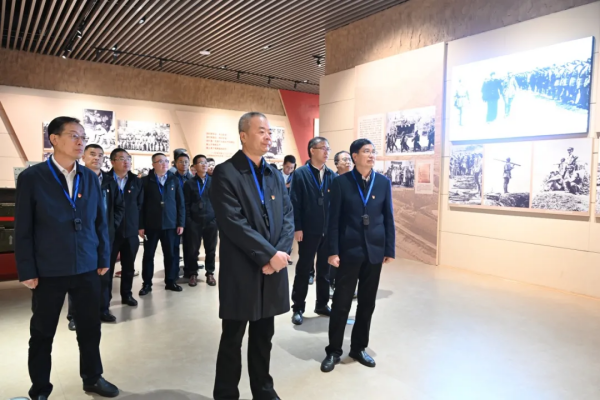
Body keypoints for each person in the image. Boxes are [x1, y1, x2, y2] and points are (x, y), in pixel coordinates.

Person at [15, 116, 119, 398]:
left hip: (86, 266)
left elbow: (100, 222)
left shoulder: (90, 177)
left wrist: (103, 257)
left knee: (90, 328)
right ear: (54, 139)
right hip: (48, 268)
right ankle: (40, 388)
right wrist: (27, 269)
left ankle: (93, 377)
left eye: (83, 137)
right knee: (42, 332)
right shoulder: (32, 178)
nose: (80, 141)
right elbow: (23, 228)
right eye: (74, 135)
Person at [210, 112, 293, 400]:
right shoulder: (226, 173)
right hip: (242, 268)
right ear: (243, 136)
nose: (268, 136)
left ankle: (263, 390)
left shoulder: (273, 174)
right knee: (232, 338)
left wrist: (280, 254)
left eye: (270, 131)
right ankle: (226, 394)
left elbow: (288, 216)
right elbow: (233, 223)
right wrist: (268, 256)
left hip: (272, 267)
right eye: (261, 131)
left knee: (264, 336)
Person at [321, 138, 395, 373]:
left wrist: (389, 249)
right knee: (341, 303)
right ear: (354, 157)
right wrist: (333, 251)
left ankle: (358, 347)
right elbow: (332, 221)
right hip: (348, 252)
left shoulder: (382, 183)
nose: (372, 155)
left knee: (367, 303)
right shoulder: (341, 183)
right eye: (366, 151)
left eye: (373, 151)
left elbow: (388, 217)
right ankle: (334, 350)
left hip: (374, 252)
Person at [66, 144, 124, 328]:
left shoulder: (109, 181)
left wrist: (111, 226)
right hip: (82, 236)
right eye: (92, 154)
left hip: (105, 236)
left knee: (105, 274)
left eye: (100, 155)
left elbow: (120, 206)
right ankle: (74, 316)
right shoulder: (75, 177)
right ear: (83, 157)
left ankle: (103, 309)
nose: (97, 158)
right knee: (78, 277)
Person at [290, 137, 335, 325]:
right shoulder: (300, 174)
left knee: (325, 270)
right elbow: (294, 203)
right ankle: (298, 307)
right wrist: (297, 227)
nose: (326, 152)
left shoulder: (331, 175)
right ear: (312, 150)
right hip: (308, 230)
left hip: (327, 231)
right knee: (304, 269)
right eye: (323, 148)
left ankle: (322, 304)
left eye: (328, 148)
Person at [139, 153, 185, 295]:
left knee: (171, 255)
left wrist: (181, 223)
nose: (164, 163)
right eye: (160, 161)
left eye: (166, 161)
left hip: (170, 224)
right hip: (151, 225)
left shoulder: (174, 180)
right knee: (148, 255)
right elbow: (140, 205)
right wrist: (141, 225)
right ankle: (147, 284)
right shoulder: (145, 181)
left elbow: (180, 203)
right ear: (153, 164)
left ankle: (170, 281)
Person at [108, 148, 144, 307]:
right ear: (112, 161)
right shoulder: (105, 179)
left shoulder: (136, 181)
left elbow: (140, 205)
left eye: (128, 159)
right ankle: (105, 299)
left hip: (130, 231)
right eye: (122, 159)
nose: (126, 162)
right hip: (110, 232)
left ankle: (127, 294)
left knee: (128, 266)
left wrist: (139, 226)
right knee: (107, 267)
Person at [183, 154, 218, 287]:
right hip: (194, 222)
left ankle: (210, 273)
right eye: (201, 163)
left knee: (211, 249)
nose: (204, 165)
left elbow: (219, 202)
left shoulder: (214, 182)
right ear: (195, 166)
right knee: (193, 250)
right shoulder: (189, 183)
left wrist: (216, 219)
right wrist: (189, 221)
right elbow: (186, 204)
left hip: (211, 221)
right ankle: (193, 273)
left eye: (206, 162)